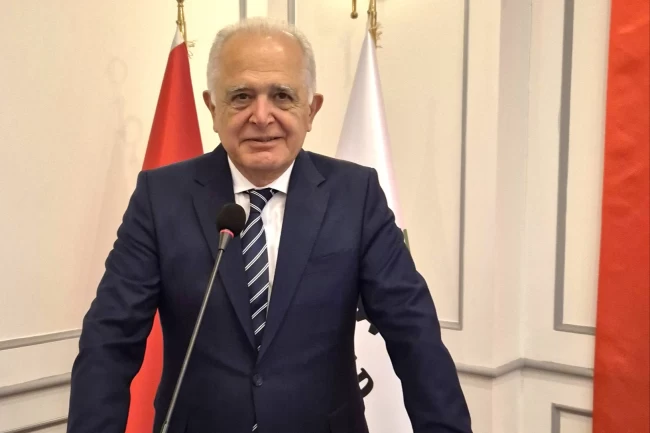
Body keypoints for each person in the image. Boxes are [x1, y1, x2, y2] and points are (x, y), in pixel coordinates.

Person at [67, 17, 472, 433]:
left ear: (311, 109)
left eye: (282, 96)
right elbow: (109, 340)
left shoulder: (356, 194)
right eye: (241, 96)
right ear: (213, 108)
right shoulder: (160, 197)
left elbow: (413, 331)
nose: (262, 117)